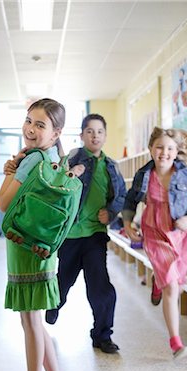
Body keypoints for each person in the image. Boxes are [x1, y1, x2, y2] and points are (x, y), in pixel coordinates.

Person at [0, 98, 71, 371]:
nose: (30, 128)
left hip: (23, 244)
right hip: (42, 247)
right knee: (37, 320)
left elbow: (3, 203)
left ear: (55, 133)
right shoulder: (54, 159)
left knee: (29, 321)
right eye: (28, 121)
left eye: (40, 125)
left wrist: (11, 169)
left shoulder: (29, 161)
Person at [46, 113, 127, 354]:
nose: (95, 135)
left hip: (94, 236)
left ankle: (102, 335)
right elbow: (55, 186)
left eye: (99, 131)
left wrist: (111, 212)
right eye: (89, 131)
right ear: (81, 135)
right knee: (63, 281)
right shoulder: (72, 158)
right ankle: (54, 305)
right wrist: (70, 173)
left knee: (100, 288)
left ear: (105, 136)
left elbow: (120, 194)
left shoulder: (111, 166)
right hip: (70, 235)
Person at [123, 127, 187, 360]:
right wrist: (128, 223)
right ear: (151, 149)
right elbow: (131, 200)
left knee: (177, 283)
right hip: (154, 232)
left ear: (176, 151)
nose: (164, 153)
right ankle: (175, 343)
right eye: (159, 147)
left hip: (181, 233)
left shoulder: (185, 174)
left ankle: (157, 281)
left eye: (170, 148)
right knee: (172, 287)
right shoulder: (144, 175)